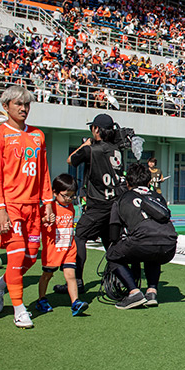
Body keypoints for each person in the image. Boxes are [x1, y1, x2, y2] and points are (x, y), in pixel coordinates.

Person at [0, 85, 54, 329]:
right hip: (10, 206)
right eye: (18, 104)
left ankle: (0, 284)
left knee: (31, 257)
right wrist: (0, 209)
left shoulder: (38, 135)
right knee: (16, 257)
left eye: (27, 104)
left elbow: (43, 172)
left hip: (33, 207)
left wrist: (48, 203)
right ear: (6, 107)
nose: (24, 108)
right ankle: (19, 309)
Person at [66, 114, 125, 294]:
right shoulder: (117, 149)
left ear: (96, 129)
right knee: (110, 242)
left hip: (98, 204)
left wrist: (86, 144)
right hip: (115, 204)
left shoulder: (92, 149)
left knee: (79, 236)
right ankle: (121, 281)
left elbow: (71, 160)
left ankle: (77, 281)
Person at [106, 162, 178, 309]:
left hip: (142, 243)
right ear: (149, 181)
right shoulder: (158, 197)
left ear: (127, 182)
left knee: (112, 255)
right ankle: (152, 291)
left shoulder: (122, 199)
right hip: (169, 245)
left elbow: (113, 235)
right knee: (152, 251)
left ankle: (134, 293)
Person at [34, 174, 89, 317]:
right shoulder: (48, 208)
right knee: (47, 275)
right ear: (55, 193)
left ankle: (75, 302)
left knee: (71, 275)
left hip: (69, 248)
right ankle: (41, 299)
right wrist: (45, 220)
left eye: (72, 196)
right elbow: (36, 223)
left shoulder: (71, 207)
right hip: (53, 249)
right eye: (65, 196)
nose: (69, 199)